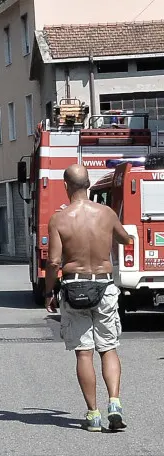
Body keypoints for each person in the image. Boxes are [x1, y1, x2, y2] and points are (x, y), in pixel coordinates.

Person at [46, 163, 132, 432]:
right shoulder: (105, 213)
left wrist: (50, 292)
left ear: (65, 185)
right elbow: (125, 240)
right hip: (103, 287)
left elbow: (54, 261)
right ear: (89, 185)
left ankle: (93, 415)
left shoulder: (59, 219)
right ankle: (115, 404)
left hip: (74, 289)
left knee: (84, 353)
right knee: (108, 347)